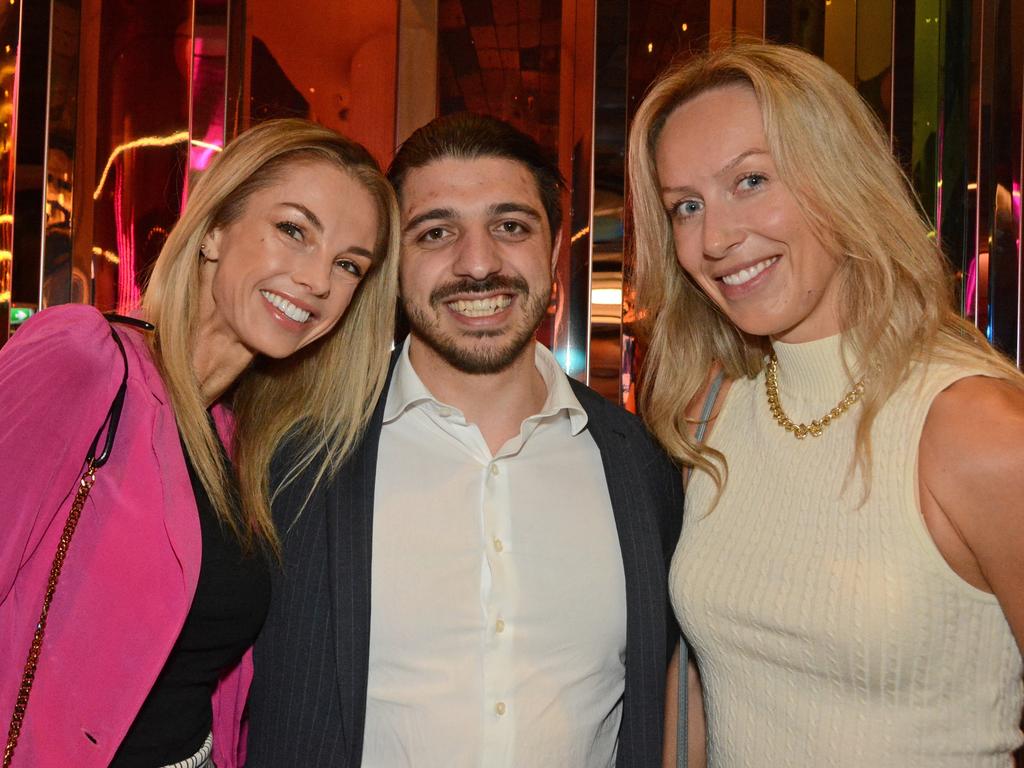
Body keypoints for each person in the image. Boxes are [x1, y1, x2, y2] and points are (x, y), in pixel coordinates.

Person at [628, 42, 1024, 766]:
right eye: (686, 206)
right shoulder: (711, 415)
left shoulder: (976, 429)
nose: (715, 239)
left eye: (750, 180)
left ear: (840, 178)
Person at [246, 113, 683, 767]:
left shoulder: (643, 468)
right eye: (436, 232)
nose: (477, 264)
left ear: (555, 248)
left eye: (510, 226)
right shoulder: (291, 461)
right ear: (394, 265)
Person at [0, 118, 399, 768]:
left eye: (348, 264)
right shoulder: (85, 360)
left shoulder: (240, 441)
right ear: (214, 227)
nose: (319, 281)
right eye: (294, 230)